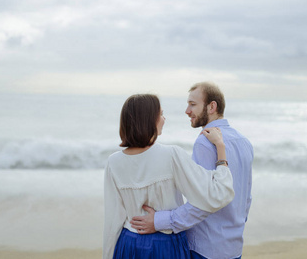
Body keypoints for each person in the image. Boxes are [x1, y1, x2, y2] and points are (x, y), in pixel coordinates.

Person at [103, 94, 235, 259]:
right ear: (149, 120)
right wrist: (221, 152)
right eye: (161, 114)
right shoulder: (171, 155)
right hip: (165, 245)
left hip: (128, 243)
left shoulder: (113, 162)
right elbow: (215, 195)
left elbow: (113, 220)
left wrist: (108, 254)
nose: (164, 119)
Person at [131, 82, 254, 259]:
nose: (187, 111)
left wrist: (159, 221)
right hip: (233, 248)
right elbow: (246, 198)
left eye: (193, 104)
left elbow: (203, 202)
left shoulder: (205, 142)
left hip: (206, 248)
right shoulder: (244, 141)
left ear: (212, 106)